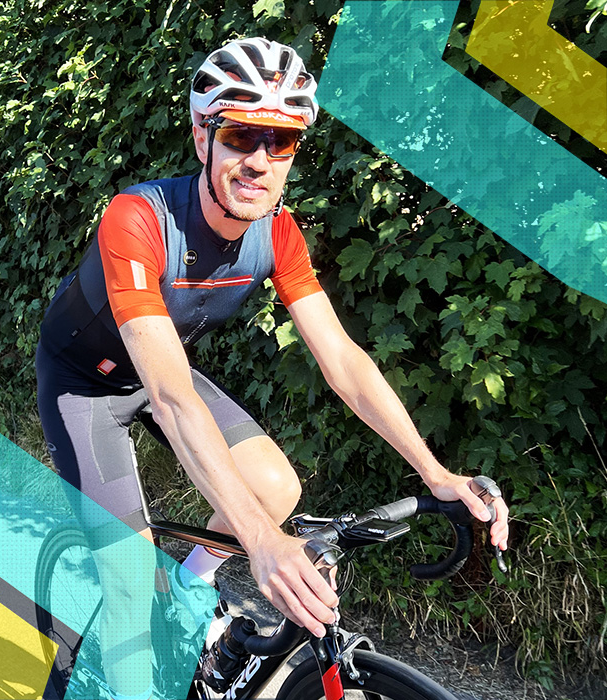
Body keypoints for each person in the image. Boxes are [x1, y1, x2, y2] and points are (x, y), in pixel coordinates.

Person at [36, 37, 509, 698]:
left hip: (158, 367)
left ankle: (183, 587)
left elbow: (342, 359)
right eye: (240, 135)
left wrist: (435, 472)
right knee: (126, 595)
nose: (258, 160)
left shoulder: (278, 233)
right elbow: (173, 400)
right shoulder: (136, 220)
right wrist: (259, 542)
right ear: (204, 137)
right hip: (85, 385)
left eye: (280, 142)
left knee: (276, 489)